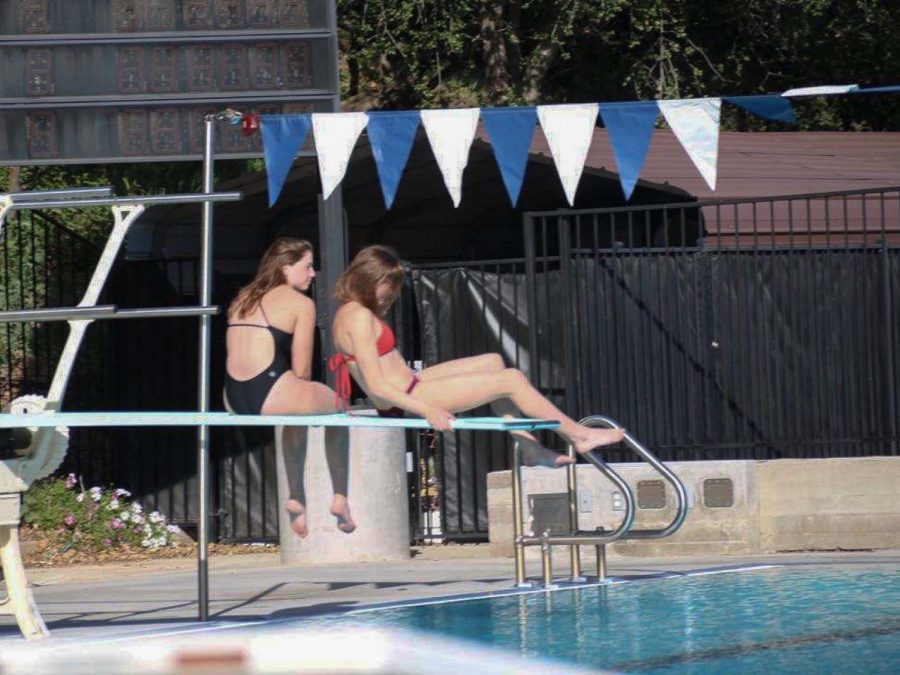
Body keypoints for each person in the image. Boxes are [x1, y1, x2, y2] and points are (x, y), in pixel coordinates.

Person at [329, 245, 625, 466]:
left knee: (493, 362)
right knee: (511, 379)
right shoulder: (358, 318)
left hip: (412, 384)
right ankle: (578, 435)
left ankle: (530, 449)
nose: (391, 293)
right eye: (388, 285)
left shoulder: (354, 311)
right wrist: (426, 410)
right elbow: (378, 386)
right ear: (370, 279)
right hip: (407, 398)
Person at [224, 238, 356, 537]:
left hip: (233, 396)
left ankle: (297, 497)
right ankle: (340, 497)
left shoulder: (243, 297)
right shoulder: (301, 304)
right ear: (285, 268)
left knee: (295, 407)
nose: (313, 274)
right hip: (270, 391)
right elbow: (302, 371)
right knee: (338, 404)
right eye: (307, 266)